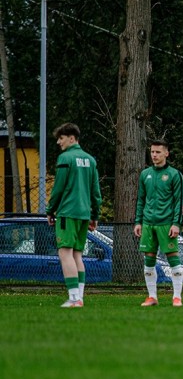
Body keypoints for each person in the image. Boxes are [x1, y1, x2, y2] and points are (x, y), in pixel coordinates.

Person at [45, 123, 101, 308]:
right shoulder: (90, 160)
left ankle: (74, 298)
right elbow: (95, 191)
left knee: (65, 253)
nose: (59, 142)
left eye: (61, 138)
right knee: (77, 255)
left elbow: (58, 187)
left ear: (71, 138)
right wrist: (95, 214)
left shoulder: (65, 158)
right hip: (84, 214)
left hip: (68, 212)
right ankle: (80, 298)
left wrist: (50, 210)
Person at [134, 140, 183, 307]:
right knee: (148, 259)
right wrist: (138, 222)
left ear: (166, 153)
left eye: (158, 152)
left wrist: (176, 223)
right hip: (148, 223)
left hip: (166, 223)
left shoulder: (174, 174)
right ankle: (152, 297)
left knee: (173, 258)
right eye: (152, 152)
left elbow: (179, 201)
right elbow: (141, 199)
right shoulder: (145, 174)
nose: (154, 155)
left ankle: (177, 297)